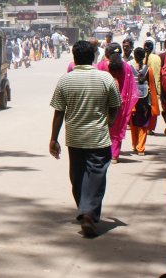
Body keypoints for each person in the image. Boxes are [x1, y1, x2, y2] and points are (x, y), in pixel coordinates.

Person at [49, 40, 121, 238]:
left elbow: (58, 113)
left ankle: (84, 210)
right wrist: (109, 121)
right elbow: (116, 105)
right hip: (98, 138)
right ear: (93, 57)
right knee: (96, 176)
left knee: (77, 176)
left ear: (74, 57)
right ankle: (88, 213)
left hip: (75, 138)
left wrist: (53, 139)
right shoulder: (105, 79)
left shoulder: (65, 80)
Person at [96, 43, 138, 163]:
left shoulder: (101, 65)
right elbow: (130, 88)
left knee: (102, 127)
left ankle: (103, 154)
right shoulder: (126, 67)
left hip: (103, 102)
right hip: (120, 103)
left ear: (107, 53)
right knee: (116, 128)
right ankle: (114, 155)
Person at [130, 47, 158, 156]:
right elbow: (152, 85)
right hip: (144, 102)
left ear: (135, 56)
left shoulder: (130, 68)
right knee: (143, 124)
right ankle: (141, 148)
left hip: (133, 102)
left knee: (133, 123)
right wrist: (155, 104)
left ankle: (134, 145)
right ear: (144, 57)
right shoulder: (148, 69)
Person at [143, 40, 163, 134]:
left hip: (145, 87)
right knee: (153, 108)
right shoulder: (157, 58)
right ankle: (150, 128)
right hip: (155, 87)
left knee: (146, 108)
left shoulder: (143, 58)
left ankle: (146, 127)